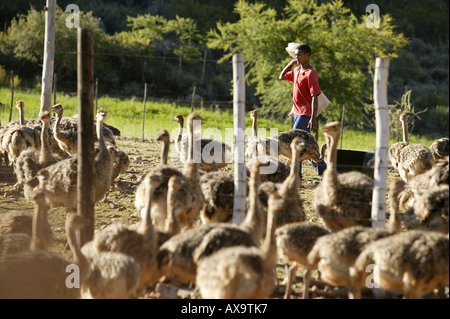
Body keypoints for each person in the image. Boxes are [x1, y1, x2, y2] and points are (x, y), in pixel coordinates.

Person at [279, 43, 327, 178]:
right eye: (296, 54)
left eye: (299, 54)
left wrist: (313, 118)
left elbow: (314, 96)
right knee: (305, 147)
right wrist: (292, 62)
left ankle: (297, 174)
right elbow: (281, 76)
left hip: (305, 114)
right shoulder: (297, 71)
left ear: (307, 55)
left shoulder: (311, 73)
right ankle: (325, 171)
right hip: (297, 112)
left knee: (295, 142)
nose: (297, 56)